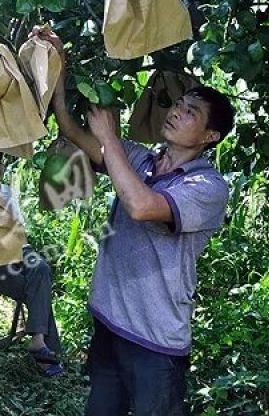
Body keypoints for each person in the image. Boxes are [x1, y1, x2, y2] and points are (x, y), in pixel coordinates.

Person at [32, 28, 235, 414]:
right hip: (111, 326)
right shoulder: (141, 158)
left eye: (190, 112)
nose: (175, 111)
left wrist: (110, 139)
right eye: (178, 104)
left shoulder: (207, 186)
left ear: (210, 135)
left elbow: (142, 205)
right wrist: (59, 68)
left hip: (155, 343)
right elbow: (71, 129)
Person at [0, 153, 65, 378]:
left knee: (41, 268)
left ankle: (37, 340)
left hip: (16, 251)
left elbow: (20, 233)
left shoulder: (5, 190)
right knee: (34, 289)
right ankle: (47, 350)